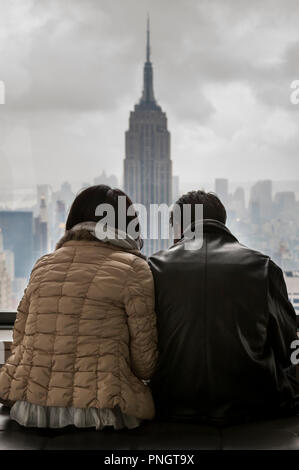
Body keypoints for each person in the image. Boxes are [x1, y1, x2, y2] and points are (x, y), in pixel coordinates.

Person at [0, 185, 158, 430]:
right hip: (102, 411)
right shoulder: (134, 269)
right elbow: (144, 363)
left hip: (32, 408)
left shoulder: (44, 265)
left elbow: (20, 341)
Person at [149, 190, 298, 426]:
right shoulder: (263, 267)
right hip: (254, 403)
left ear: (178, 227)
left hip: (170, 401)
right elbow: (290, 346)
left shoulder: (154, 267)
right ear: (222, 221)